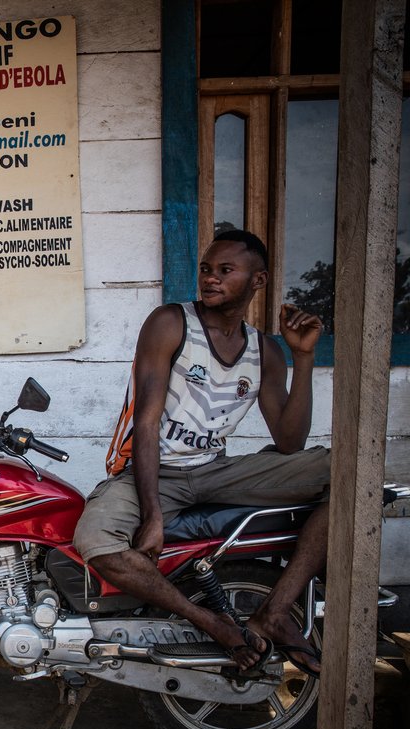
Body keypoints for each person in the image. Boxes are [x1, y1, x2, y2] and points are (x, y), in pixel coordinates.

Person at [74, 229, 328, 676]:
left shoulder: (263, 350)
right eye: (206, 269)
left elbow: (289, 443)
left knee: (349, 477)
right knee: (96, 544)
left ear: (258, 280)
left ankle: (276, 610)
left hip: (214, 469)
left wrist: (301, 358)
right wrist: (152, 515)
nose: (210, 279)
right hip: (149, 471)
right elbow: (146, 423)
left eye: (225, 270)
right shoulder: (171, 322)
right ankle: (211, 621)